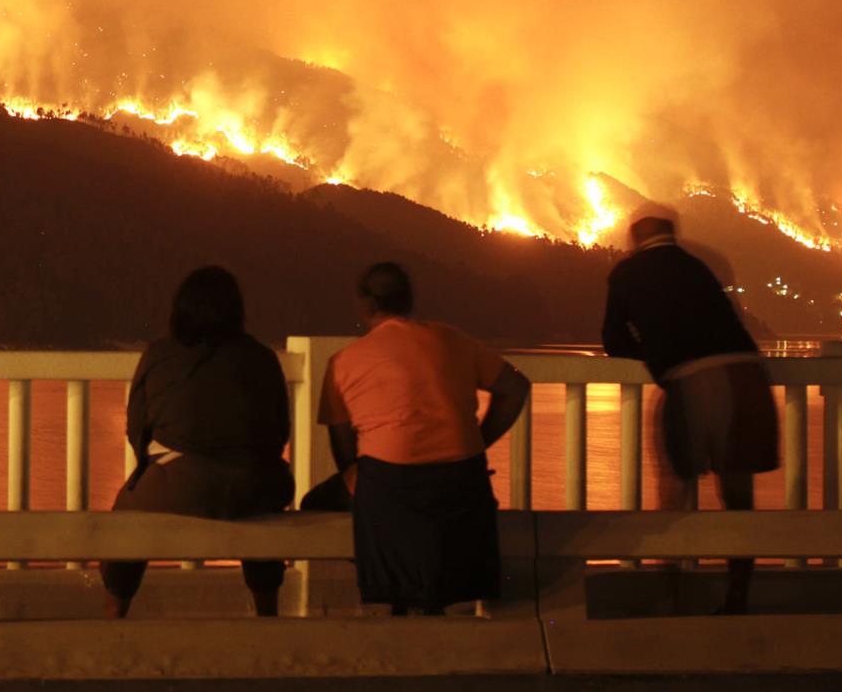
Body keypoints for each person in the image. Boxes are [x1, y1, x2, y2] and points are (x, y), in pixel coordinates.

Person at [319, 262, 529, 615]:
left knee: (319, 503)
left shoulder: (344, 362)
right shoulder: (453, 340)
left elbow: (343, 449)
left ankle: (390, 589)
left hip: (390, 487)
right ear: (409, 301)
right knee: (421, 515)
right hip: (462, 487)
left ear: (367, 305)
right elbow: (516, 386)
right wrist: (479, 440)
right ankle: (423, 600)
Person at [602, 211, 777, 614]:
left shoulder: (629, 271)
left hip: (695, 381)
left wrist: (658, 353)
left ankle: (670, 596)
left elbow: (613, 338)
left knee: (676, 488)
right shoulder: (697, 266)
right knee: (737, 495)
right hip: (749, 379)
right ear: (672, 235)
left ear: (633, 239)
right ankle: (738, 597)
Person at [100, 266, 294, 619]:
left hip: (176, 485)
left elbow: (136, 428)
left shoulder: (159, 354)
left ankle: (116, 610)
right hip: (250, 485)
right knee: (264, 509)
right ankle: (268, 614)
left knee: (124, 518)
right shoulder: (261, 358)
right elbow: (280, 431)